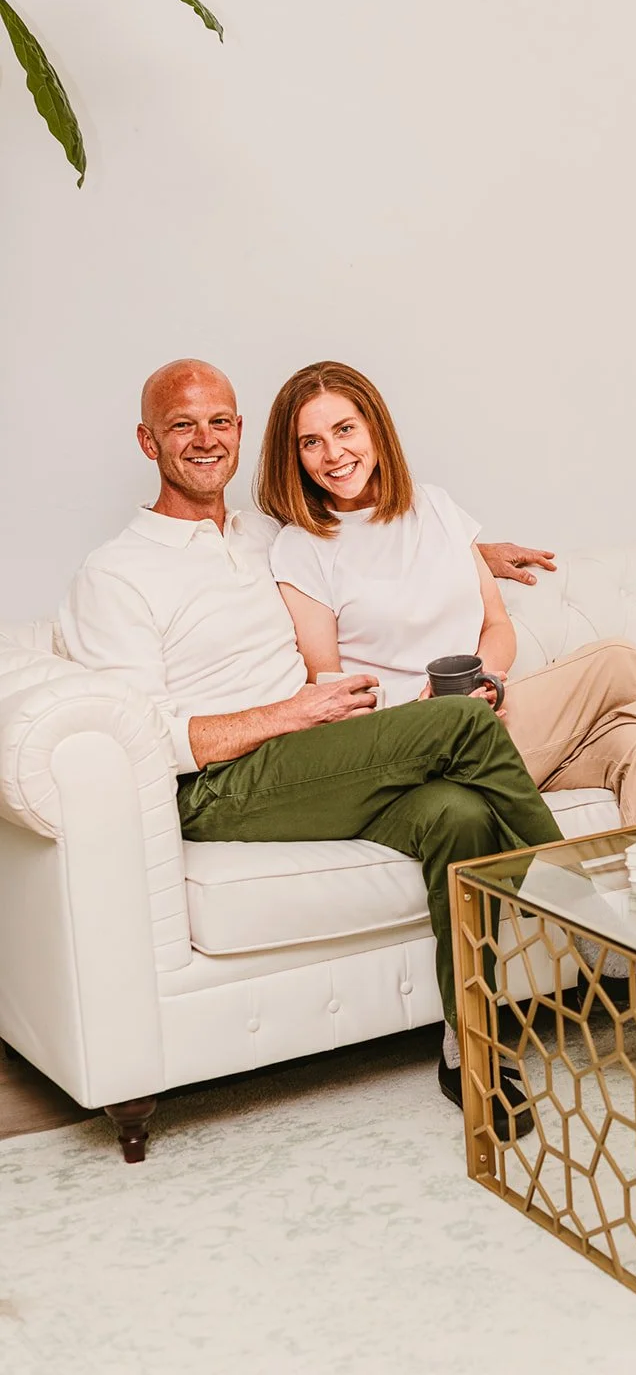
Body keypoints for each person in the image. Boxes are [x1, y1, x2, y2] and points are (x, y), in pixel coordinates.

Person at [59, 359, 571, 1137]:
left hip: (316, 759)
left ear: (240, 431)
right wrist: (287, 713)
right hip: (221, 785)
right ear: (147, 441)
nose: (204, 440)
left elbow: (363, 547)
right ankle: (588, 912)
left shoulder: (263, 536)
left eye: (219, 421)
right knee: (462, 720)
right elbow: (142, 739)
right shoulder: (116, 573)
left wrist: (479, 552)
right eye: (181, 426)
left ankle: (472, 1046)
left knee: (459, 815)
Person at [256, 360, 636, 1080]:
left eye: (344, 429)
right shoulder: (301, 548)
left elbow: (496, 625)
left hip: (499, 722)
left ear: (375, 429)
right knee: (617, 660)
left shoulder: (436, 509)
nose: (333, 453)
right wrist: (422, 711)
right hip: (422, 746)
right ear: (293, 457)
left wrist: (491, 678)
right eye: (311, 442)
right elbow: (331, 685)